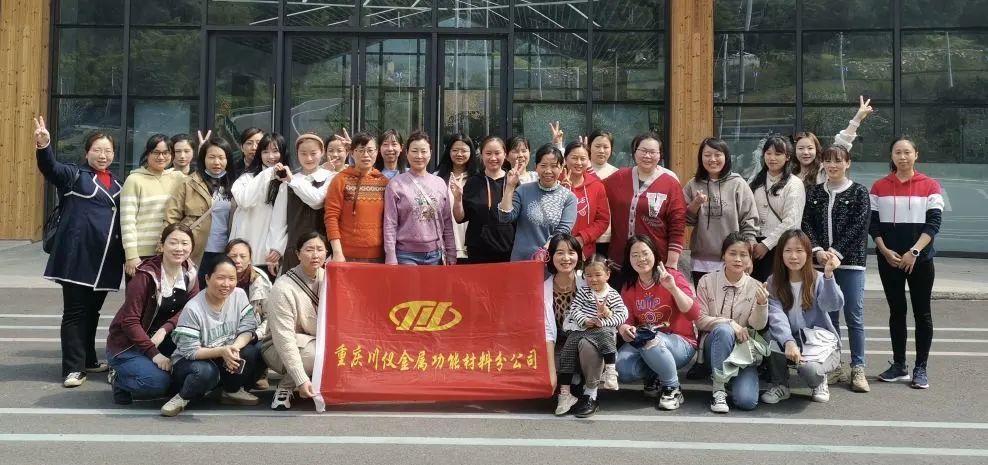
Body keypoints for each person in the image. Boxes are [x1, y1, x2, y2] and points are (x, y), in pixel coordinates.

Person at [33, 117, 124, 388]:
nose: (103, 155)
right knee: (75, 313)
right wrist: (44, 146)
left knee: (93, 312)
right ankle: (73, 368)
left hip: (105, 260)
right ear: (87, 153)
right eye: (97, 150)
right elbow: (51, 168)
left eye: (108, 151)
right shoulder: (74, 176)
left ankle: (88, 359)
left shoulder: (119, 185)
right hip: (77, 258)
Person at [870, 136, 943, 389]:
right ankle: (899, 365)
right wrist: (884, 250)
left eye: (907, 152)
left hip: (920, 260)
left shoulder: (930, 185)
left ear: (916, 155)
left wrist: (914, 251)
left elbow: (934, 223)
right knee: (896, 311)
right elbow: (873, 224)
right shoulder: (879, 186)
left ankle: (920, 368)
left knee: (922, 313)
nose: (902, 157)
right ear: (891, 156)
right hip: (889, 259)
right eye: (898, 152)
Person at [801, 145, 871, 393]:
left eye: (838, 161)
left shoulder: (859, 192)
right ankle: (834, 365)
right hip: (820, 263)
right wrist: (818, 250)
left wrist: (836, 252)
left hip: (850, 263)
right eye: (828, 161)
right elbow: (806, 223)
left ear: (847, 163)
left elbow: (859, 226)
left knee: (854, 315)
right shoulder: (814, 192)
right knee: (828, 316)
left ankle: (858, 367)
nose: (833, 165)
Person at [105, 224, 199, 404]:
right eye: (173, 242)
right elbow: (129, 321)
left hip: (166, 340)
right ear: (162, 246)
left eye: (185, 243)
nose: (179, 248)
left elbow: (190, 308)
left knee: (188, 380)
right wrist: (154, 354)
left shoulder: (190, 273)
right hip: (129, 345)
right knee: (157, 383)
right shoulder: (144, 276)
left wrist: (165, 329)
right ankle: (119, 379)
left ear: (192, 247)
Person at [162, 257, 261, 417]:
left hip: (223, 355)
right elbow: (191, 351)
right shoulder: (193, 308)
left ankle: (230, 391)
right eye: (220, 278)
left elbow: (248, 327)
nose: (226, 284)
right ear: (207, 278)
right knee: (206, 372)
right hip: (191, 361)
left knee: (250, 351)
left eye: (232, 278)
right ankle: (182, 396)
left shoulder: (239, 295)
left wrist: (234, 347)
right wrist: (222, 351)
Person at [615, 234, 701, 410]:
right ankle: (655, 375)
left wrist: (673, 288)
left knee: (650, 340)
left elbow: (694, 313)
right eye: (635, 255)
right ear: (629, 259)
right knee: (622, 367)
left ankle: (672, 388)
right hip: (646, 343)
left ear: (654, 254)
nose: (641, 259)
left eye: (645, 253)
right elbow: (624, 320)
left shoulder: (672, 276)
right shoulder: (629, 286)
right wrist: (625, 329)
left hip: (681, 343)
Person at [763, 229, 845, 404]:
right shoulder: (773, 281)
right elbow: (776, 316)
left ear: (808, 254)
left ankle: (819, 382)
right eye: (788, 250)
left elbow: (833, 305)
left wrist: (829, 275)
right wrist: (788, 341)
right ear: (780, 254)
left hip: (817, 342)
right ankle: (780, 385)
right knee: (769, 336)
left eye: (799, 251)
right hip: (791, 338)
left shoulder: (819, 278)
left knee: (810, 371)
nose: (793, 256)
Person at [695, 233, 770, 413]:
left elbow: (757, 326)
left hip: (742, 352)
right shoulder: (706, 281)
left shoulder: (756, 286)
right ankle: (719, 388)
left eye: (743, 255)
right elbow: (699, 320)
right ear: (723, 255)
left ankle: (731, 380)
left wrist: (762, 305)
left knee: (747, 402)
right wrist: (729, 323)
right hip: (713, 348)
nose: (738, 259)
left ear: (750, 259)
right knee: (723, 330)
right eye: (732, 253)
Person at [555, 255, 627, 418]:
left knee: (605, 334)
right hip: (583, 329)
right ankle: (565, 393)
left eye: (598, 274)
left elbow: (622, 315)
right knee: (567, 351)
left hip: (601, 331)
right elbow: (574, 309)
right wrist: (584, 320)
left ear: (607, 274)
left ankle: (610, 372)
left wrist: (604, 321)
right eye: (589, 275)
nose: (593, 279)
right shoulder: (584, 292)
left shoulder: (612, 294)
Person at [262, 233, 328, 410]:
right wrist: (300, 379)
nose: (315, 255)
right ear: (298, 254)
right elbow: (284, 339)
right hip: (278, 347)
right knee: (317, 354)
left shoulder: (331, 279)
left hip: (315, 342)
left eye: (320, 249)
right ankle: (285, 386)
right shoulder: (283, 288)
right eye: (309, 250)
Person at [603, 132, 686, 270]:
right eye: (643, 151)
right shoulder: (619, 177)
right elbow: (594, 188)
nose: (647, 156)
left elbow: (677, 224)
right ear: (634, 152)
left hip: (655, 262)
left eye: (652, 152)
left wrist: (672, 262)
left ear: (660, 155)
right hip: (619, 260)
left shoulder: (670, 184)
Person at [683, 137, 759, 286]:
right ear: (701, 158)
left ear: (726, 157)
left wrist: (748, 256)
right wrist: (696, 203)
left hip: (733, 258)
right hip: (701, 260)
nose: (712, 159)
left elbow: (749, 221)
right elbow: (686, 219)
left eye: (717, 155)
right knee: (704, 299)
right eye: (707, 155)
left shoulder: (738, 184)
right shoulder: (693, 184)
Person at [164, 136, 236, 284]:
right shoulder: (189, 183)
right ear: (203, 159)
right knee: (193, 289)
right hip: (195, 250)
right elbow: (172, 216)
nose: (217, 162)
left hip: (224, 251)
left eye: (221, 157)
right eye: (212, 157)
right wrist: (167, 244)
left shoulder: (235, 185)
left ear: (228, 159)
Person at [383, 131, 456, 265]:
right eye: (414, 151)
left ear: (430, 153)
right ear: (406, 153)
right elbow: (390, 224)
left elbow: (446, 221)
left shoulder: (439, 183)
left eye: (424, 151)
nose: (419, 156)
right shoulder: (395, 184)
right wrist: (390, 256)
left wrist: (451, 252)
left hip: (435, 254)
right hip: (405, 255)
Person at [121, 134, 186, 278]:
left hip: (170, 251)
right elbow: (127, 221)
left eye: (166, 153)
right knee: (140, 293)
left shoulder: (178, 178)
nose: (161, 157)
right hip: (142, 254)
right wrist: (131, 255)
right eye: (156, 152)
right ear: (147, 154)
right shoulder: (134, 180)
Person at [498, 144, 577, 262]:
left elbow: (563, 230)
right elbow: (505, 218)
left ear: (561, 168)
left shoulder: (568, 197)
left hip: (551, 259)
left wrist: (544, 251)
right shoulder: (523, 190)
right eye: (543, 165)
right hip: (521, 260)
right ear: (536, 167)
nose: (548, 171)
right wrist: (510, 186)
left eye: (554, 166)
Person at [268, 133, 334, 272]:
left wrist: (292, 180)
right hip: (295, 249)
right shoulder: (287, 183)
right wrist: (276, 248)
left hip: (324, 250)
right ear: (297, 154)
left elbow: (317, 200)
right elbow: (278, 220)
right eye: (303, 153)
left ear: (322, 152)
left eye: (313, 153)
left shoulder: (331, 178)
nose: (308, 158)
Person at [229, 132, 288, 279]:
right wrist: (268, 173)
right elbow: (245, 200)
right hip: (242, 255)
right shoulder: (246, 178)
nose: (270, 156)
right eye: (265, 152)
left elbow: (285, 219)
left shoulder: (289, 181)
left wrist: (278, 247)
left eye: (275, 151)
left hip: (270, 255)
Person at [324, 132, 388, 263]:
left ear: (377, 152)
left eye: (370, 150)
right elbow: (331, 217)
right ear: (352, 153)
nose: (366, 155)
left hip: (378, 255)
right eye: (360, 150)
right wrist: (337, 252)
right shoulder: (340, 180)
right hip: (346, 255)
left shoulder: (384, 182)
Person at [749, 135, 805, 282]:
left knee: (775, 289)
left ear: (787, 157)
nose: (772, 158)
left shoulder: (794, 184)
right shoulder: (755, 180)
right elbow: (746, 212)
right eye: (768, 153)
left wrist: (766, 244)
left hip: (780, 246)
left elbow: (791, 221)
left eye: (778, 154)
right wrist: (751, 239)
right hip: (753, 246)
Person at [452, 136, 513, 263]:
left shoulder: (513, 181)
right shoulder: (473, 182)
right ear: (481, 155)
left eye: (497, 153)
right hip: (478, 250)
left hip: (508, 249)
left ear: (505, 154)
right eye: (488, 153)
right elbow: (459, 218)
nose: (493, 158)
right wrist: (457, 199)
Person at [793, 96, 874, 189]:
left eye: (810, 148)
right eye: (801, 148)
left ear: (816, 150)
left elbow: (843, 142)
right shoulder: (789, 174)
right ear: (794, 151)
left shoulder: (824, 170)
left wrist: (857, 118)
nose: (805, 152)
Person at [225, 239, 273, 390]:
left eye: (242, 256)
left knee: (259, 347)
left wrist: (255, 335)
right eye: (233, 256)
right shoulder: (219, 277)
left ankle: (259, 374)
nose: (238, 260)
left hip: (255, 332)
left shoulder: (260, 281)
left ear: (250, 259)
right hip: (226, 332)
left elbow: (270, 317)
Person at [562, 141, 610, 258]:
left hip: (585, 250)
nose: (579, 162)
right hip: (558, 249)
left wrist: (582, 238)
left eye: (583, 159)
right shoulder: (555, 183)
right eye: (574, 158)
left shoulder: (597, 186)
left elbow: (602, 220)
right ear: (565, 159)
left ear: (588, 161)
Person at [437, 134, 477, 260]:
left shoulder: (478, 180)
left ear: (471, 153)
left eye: (464, 150)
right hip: (443, 247)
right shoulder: (436, 179)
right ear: (448, 151)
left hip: (471, 246)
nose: (459, 154)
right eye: (455, 150)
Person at [587, 130, 618, 256]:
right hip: (583, 234)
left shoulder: (617, 173)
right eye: (597, 146)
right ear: (589, 147)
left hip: (608, 236)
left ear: (611, 149)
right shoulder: (580, 169)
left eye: (606, 147)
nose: (601, 150)